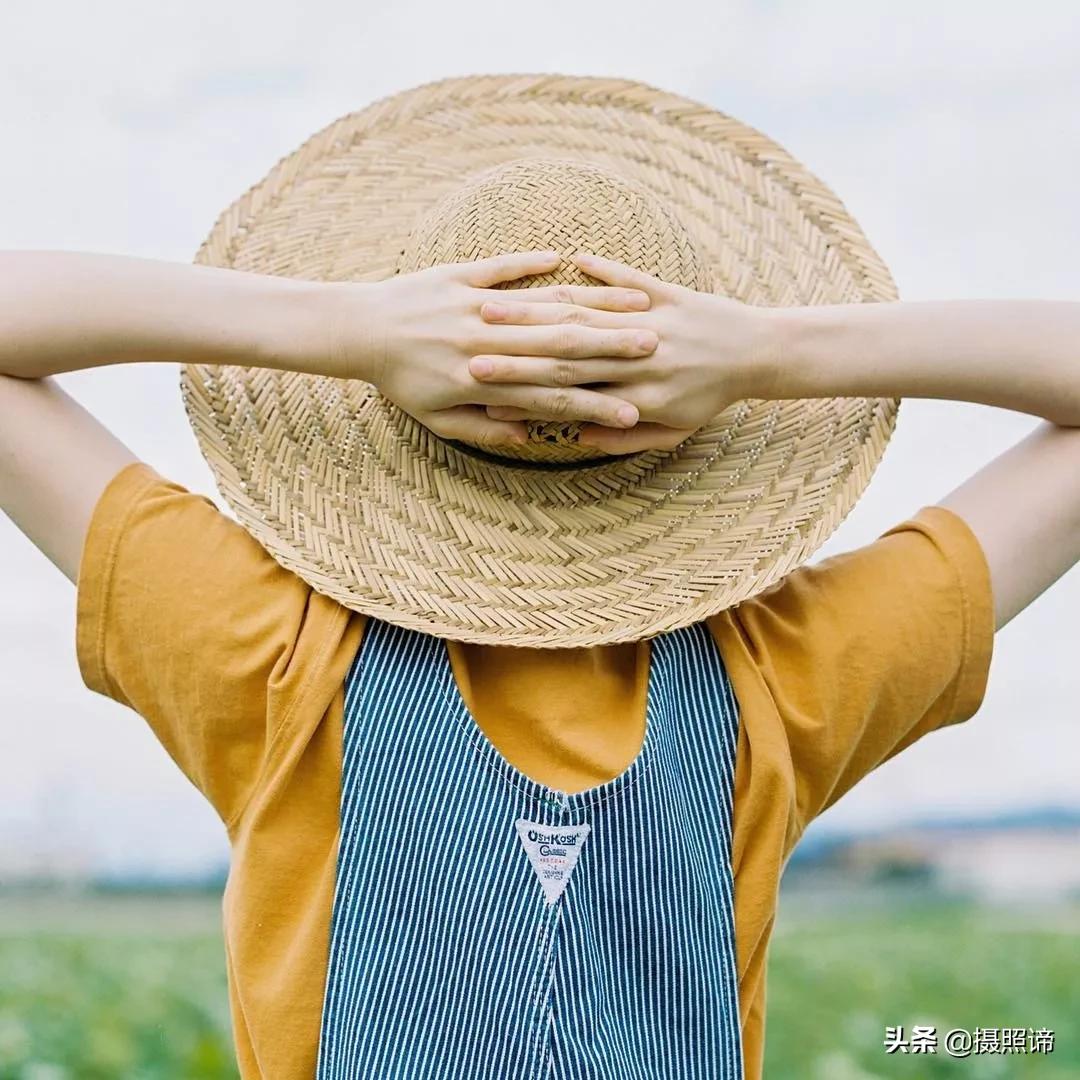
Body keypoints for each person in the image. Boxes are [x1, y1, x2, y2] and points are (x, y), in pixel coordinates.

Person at [2, 76, 1079, 1080]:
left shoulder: (273, 651)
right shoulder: (782, 679)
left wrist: (347, 327)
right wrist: (774, 352)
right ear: (697, 428)